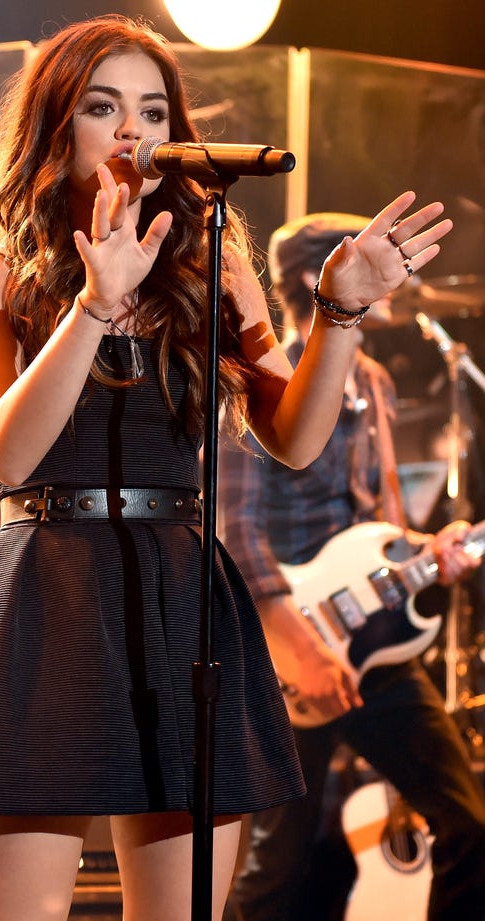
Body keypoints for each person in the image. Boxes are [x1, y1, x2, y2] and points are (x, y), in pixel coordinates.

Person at [0, 16, 455, 921]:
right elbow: (8, 450)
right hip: (45, 589)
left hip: (179, 596)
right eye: (103, 108)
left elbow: (293, 438)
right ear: (56, 127)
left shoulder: (212, 269)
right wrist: (94, 305)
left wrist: (338, 313)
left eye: (153, 111)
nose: (132, 132)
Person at [218, 212, 485, 921]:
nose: (397, 278)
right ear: (320, 276)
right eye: (375, 260)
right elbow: (235, 529)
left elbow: (376, 523)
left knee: (468, 824)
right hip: (289, 647)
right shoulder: (263, 375)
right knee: (279, 867)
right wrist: (300, 646)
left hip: (374, 645)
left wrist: (427, 550)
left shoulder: (375, 381)